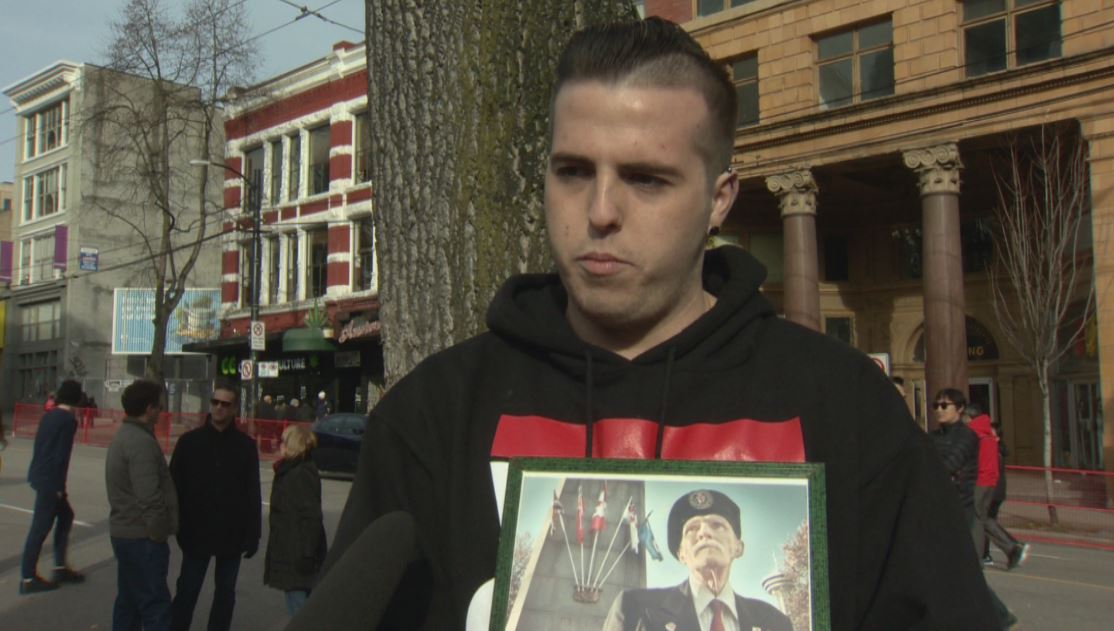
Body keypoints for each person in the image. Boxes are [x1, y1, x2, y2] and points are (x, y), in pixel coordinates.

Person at [320, 17, 995, 630]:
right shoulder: (435, 417)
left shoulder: (846, 409)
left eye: (646, 178)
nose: (601, 210)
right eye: (574, 170)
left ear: (718, 199)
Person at [603, 489, 791, 631]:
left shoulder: (774, 622)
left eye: (717, 525)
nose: (704, 532)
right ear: (681, 554)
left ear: (738, 547)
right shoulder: (637, 609)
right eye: (692, 528)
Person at [169, 382, 262, 631]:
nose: (219, 408)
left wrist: (253, 534)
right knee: (187, 589)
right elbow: (173, 485)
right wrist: (176, 525)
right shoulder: (189, 442)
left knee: (225, 594)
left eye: (225, 404)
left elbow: (252, 492)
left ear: (234, 409)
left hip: (231, 534)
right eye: (215, 402)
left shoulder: (245, 446)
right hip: (195, 531)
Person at [931, 390, 1018, 628]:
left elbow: (950, 463)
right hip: (939, 508)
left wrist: (928, 468)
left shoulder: (967, 436)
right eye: (936, 405)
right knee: (940, 567)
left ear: (959, 409)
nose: (939, 409)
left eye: (944, 405)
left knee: (962, 568)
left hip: (961, 508)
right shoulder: (934, 436)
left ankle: (1000, 615)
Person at [106, 380, 179, 630]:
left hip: (126, 532)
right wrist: (158, 532)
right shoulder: (140, 442)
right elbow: (149, 496)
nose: (161, 411)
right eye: (159, 406)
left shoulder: (126, 436)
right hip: (141, 536)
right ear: (149, 409)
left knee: (129, 602)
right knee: (154, 605)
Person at [20, 379, 86, 594]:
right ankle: (28, 578)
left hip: (41, 474)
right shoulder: (68, 420)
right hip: (51, 480)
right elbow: (61, 455)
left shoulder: (49, 416)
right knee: (40, 528)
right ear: (76, 398)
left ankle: (59, 567)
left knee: (65, 516)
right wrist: (59, 486)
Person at [264, 424, 328, 617]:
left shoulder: (300, 472)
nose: (279, 444)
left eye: (283, 441)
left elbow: (311, 517)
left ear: (293, 445)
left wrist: (307, 554)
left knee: (300, 612)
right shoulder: (290, 469)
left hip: (298, 554)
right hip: (290, 550)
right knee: (297, 604)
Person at [968, 405, 1029, 570]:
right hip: (990, 483)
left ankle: (979, 557)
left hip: (979, 482)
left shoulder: (973, 435)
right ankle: (1011, 548)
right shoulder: (988, 435)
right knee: (983, 518)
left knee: (976, 519)